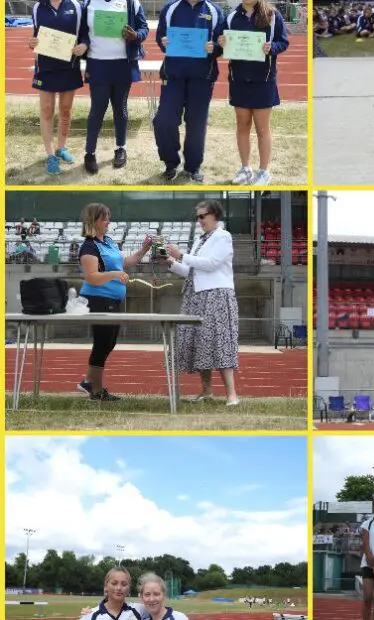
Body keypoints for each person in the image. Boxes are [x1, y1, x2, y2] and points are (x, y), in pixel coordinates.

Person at [164, 200, 240, 406]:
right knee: (200, 343)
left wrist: (181, 255)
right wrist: (172, 263)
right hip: (196, 296)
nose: (199, 221)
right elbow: (192, 271)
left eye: (202, 216)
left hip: (216, 296)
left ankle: (232, 394)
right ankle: (207, 391)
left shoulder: (223, 236)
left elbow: (211, 264)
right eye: (197, 217)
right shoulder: (200, 240)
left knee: (221, 343)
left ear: (214, 215)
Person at [77, 202, 152, 401]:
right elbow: (92, 277)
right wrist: (114, 274)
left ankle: (89, 383)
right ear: (94, 221)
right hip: (98, 299)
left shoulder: (108, 241)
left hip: (112, 300)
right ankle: (96, 390)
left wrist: (144, 249)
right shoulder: (89, 247)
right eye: (104, 218)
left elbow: (126, 261)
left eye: (108, 217)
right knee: (103, 343)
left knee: (108, 343)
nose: (108, 221)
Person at [219, 0, 289, 186]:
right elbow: (220, 44)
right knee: (242, 124)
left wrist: (271, 47)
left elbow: (283, 41)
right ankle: (245, 168)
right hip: (239, 79)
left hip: (263, 80)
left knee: (262, 128)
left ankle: (264, 171)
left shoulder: (273, 15)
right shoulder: (232, 17)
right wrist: (221, 42)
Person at [154, 0, 225, 182]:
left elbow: (222, 43)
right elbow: (161, 37)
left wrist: (215, 48)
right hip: (173, 77)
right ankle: (171, 163)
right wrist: (164, 42)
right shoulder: (170, 9)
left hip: (202, 78)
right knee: (164, 121)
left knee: (196, 125)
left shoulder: (214, 11)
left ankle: (193, 167)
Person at [78, 0, 148, 174]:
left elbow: (144, 28)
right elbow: (82, 33)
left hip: (123, 65)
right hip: (98, 65)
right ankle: (90, 153)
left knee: (120, 108)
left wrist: (136, 36)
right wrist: (84, 43)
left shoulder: (132, 3)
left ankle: (120, 148)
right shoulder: (88, 3)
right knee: (97, 109)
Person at [28, 0, 86, 174]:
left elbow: (84, 33)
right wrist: (32, 43)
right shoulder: (38, 7)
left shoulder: (76, 6)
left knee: (66, 109)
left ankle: (61, 148)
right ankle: (50, 155)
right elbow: (35, 36)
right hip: (46, 68)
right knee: (46, 110)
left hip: (69, 67)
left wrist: (84, 45)